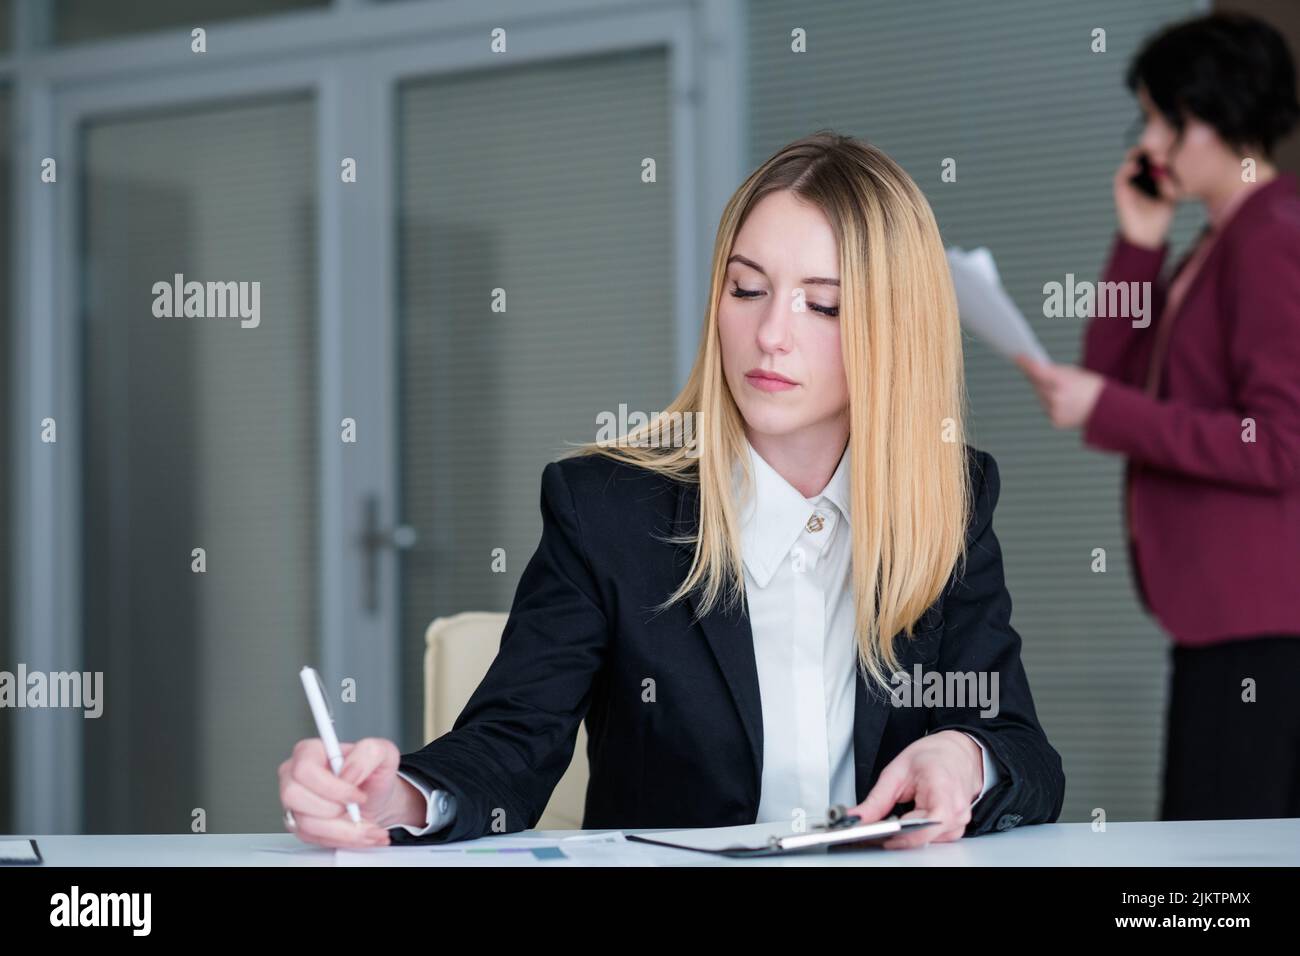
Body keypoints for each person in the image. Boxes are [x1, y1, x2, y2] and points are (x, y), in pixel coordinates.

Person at [280, 130, 1065, 850]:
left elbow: (1023, 753)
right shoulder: (606, 508)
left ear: (895, 329)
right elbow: (509, 745)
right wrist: (403, 798)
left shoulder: (949, 498)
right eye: (746, 289)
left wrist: (967, 756)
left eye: (822, 304)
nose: (771, 335)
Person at [1016, 12, 1300, 820]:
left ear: (1207, 118)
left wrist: (1110, 408)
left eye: (1156, 117)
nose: (1146, 140)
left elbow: (1282, 443)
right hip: (1226, 626)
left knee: (1219, 873)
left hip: (1263, 630)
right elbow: (1108, 377)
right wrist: (1139, 238)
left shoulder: (1270, 236)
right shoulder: (1213, 244)